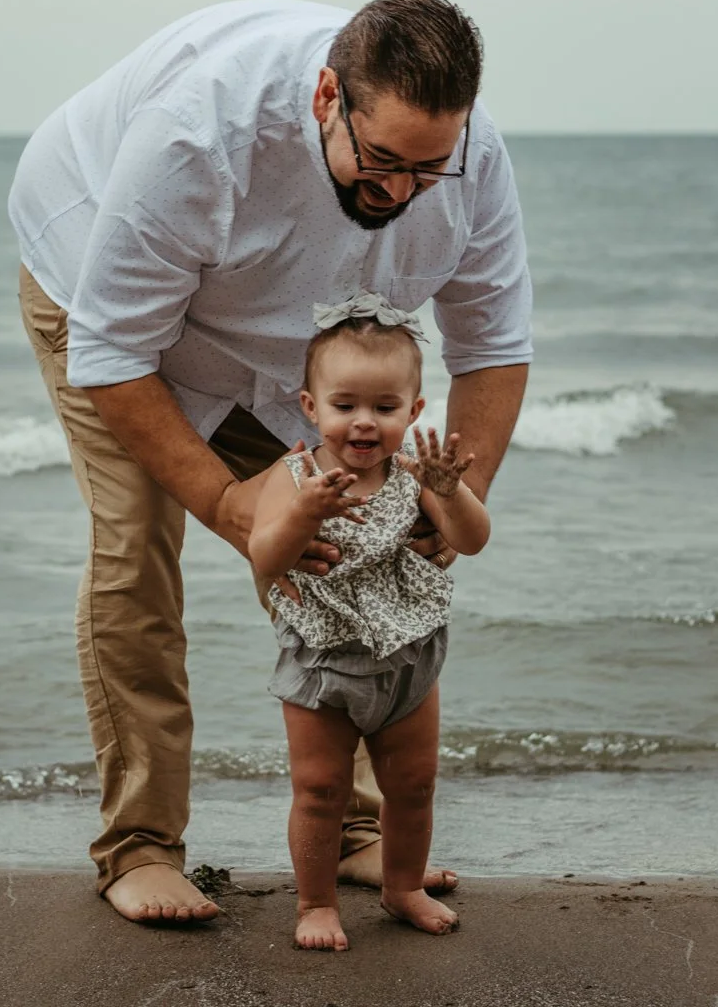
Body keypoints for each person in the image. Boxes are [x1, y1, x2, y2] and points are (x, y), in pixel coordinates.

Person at [8, 0, 532, 925]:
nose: (402, 192)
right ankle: (141, 846)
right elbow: (113, 356)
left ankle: (352, 833)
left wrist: (455, 499)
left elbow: (493, 342)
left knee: (353, 550)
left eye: (428, 170)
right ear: (328, 94)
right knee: (139, 548)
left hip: (286, 340)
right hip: (105, 299)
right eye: (381, 164)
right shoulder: (197, 139)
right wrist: (229, 505)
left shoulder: (467, 158)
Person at [250, 296, 490, 951]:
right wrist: (302, 515)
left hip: (408, 658)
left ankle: (402, 885)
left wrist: (449, 491)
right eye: (345, 405)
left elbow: (472, 540)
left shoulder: (415, 477)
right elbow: (266, 558)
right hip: (323, 661)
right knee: (321, 787)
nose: (363, 423)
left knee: (412, 785)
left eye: (384, 409)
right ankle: (316, 901)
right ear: (309, 406)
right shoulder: (293, 475)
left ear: (413, 413)